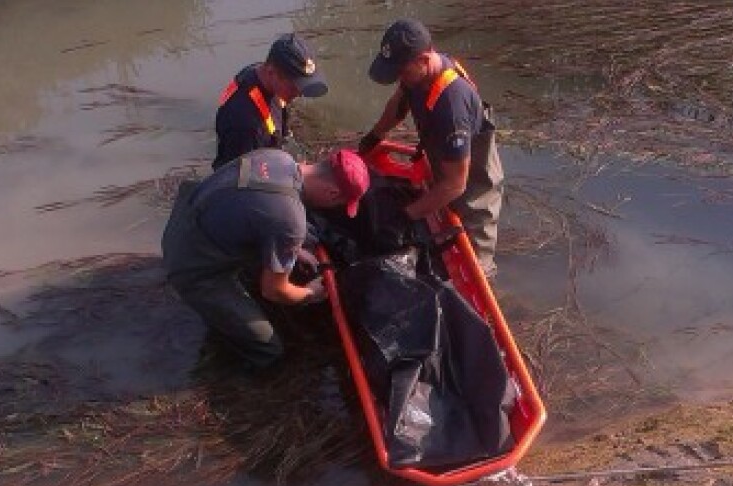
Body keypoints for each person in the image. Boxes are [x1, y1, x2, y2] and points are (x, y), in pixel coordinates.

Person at [162, 148, 369, 371]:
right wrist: (312, 293)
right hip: (191, 264)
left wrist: (293, 249)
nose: (334, 208)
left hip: (186, 218)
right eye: (339, 204)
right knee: (268, 349)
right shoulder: (290, 223)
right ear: (332, 194)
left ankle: (227, 316)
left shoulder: (277, 157)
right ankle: (222, 366)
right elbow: (274, 291)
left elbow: (255, 207)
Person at [357, 18, 504, 278]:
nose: (399, 78)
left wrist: (406, 216)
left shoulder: (452, 106)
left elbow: (455, 185)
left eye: (401, 72)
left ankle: (486, 294)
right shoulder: (418, 75)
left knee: (473, 269)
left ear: (424, 60)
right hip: (446, 167)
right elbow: (399, 103)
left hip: (471, 192)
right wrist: (375, 135)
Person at [213, 33, 328, 170]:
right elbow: (240, 180)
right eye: (294, 87)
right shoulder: (246, 124)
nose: (300, 93)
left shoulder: (259, 73)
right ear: (271, 72)